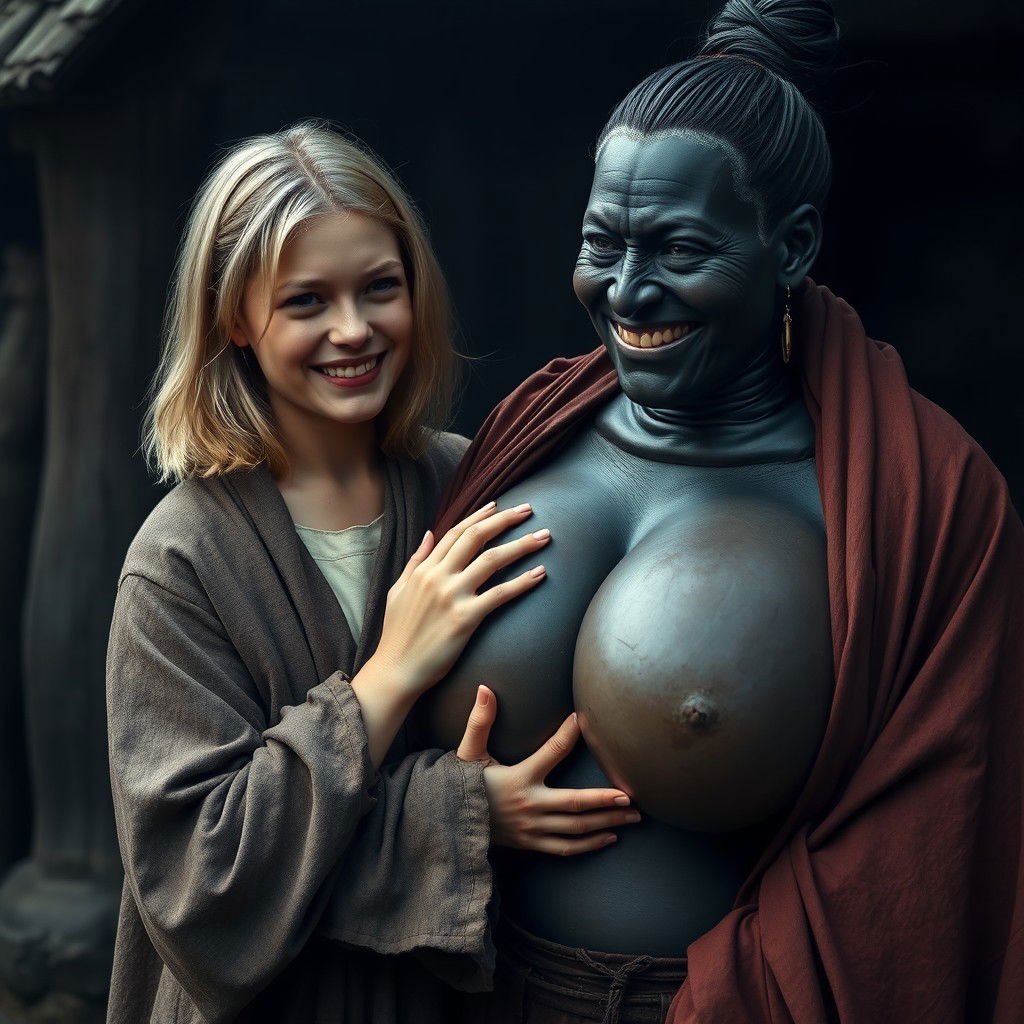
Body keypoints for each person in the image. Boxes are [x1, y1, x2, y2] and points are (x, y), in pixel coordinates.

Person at [427, 2, 1024, 1022]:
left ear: (792, 247)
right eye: (602, 242)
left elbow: (929, 859)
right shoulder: (529, 429)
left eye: (679, 249)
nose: (627, 291)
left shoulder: (917, 507)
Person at [104, 122, 640, 1024]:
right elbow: (200, 888)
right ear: (235, 317)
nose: (353, 329)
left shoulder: (472, 483)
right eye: (306, 301)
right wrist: (425, 745)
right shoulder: (177, 564)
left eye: (380, 288)